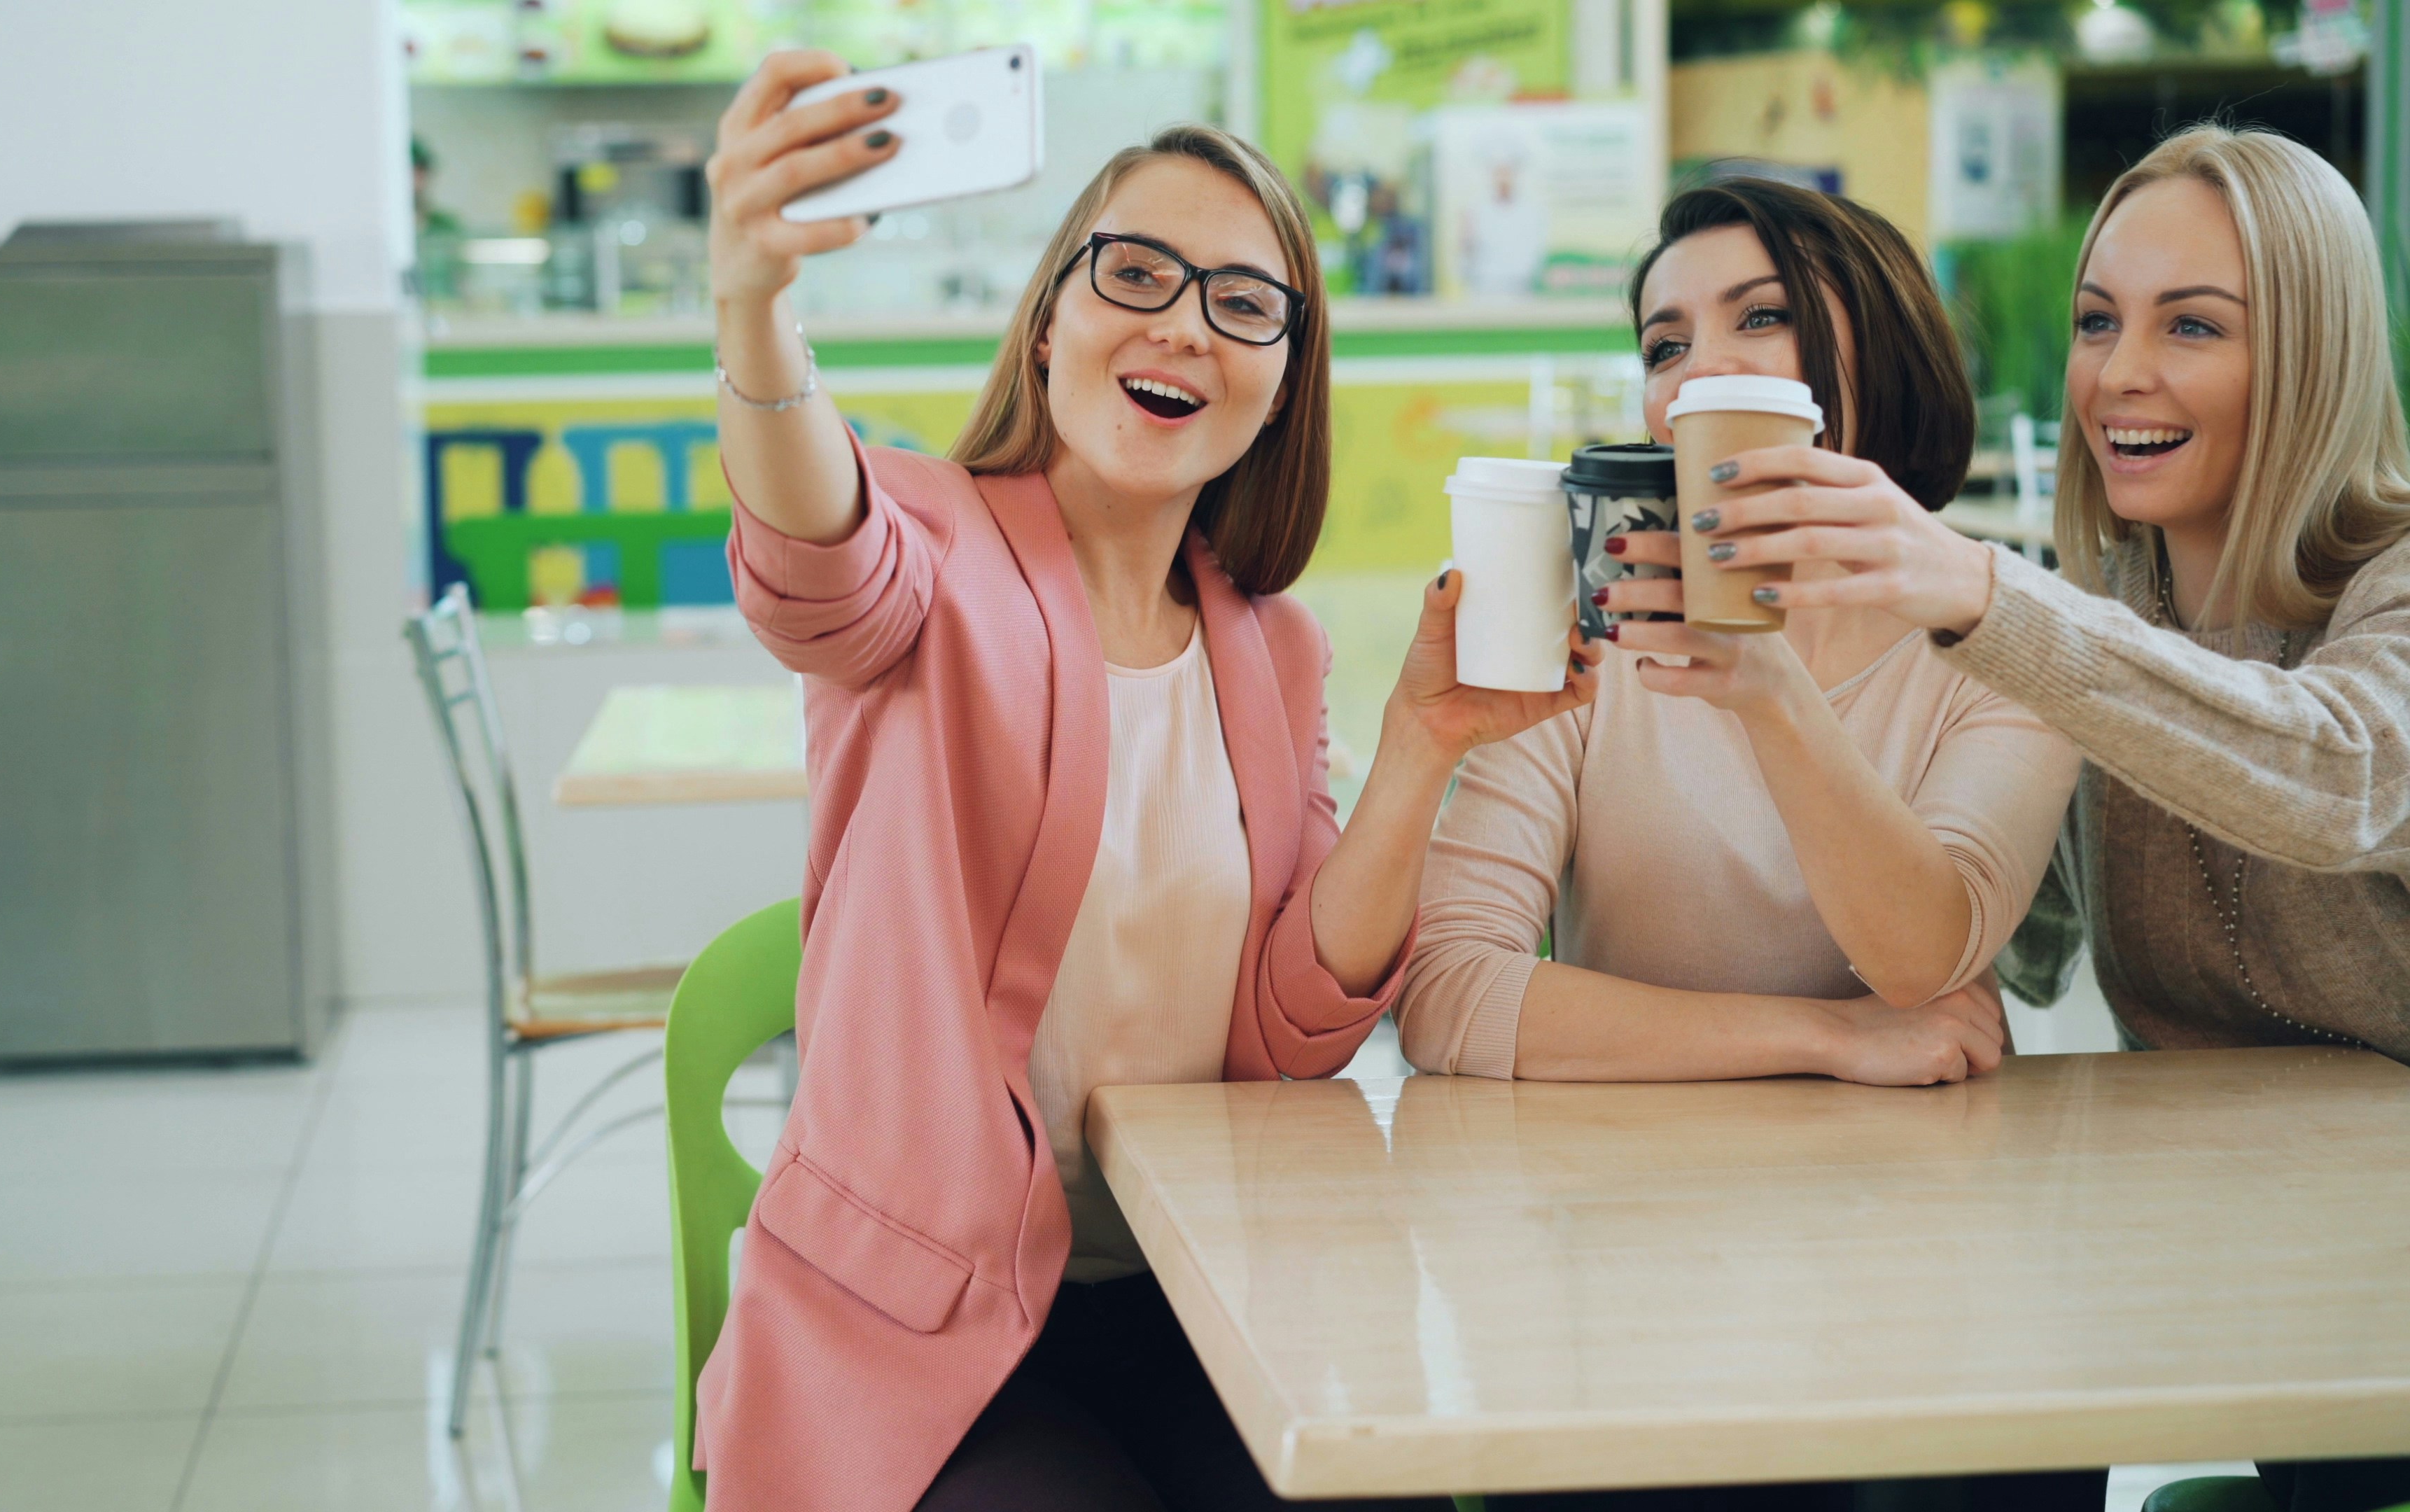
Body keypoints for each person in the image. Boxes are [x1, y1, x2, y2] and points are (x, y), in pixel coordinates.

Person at [691, 52, 1595, 1512]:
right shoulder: (927, 546)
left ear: (1283, 380)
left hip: (1208, 1295)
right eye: (1136, 273)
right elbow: (817, 564)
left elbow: (1293, 1023)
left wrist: (1421, 744)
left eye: (1244, 302)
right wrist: (752, 300)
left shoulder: (1269, 647)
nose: (1185, 324)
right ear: (1050, 319)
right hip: (932, 1334)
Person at [1678, 122, 2410, 1512]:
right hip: (2263, 1267)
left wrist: (1979, 601)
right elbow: (2008, 947)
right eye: (2097, 321)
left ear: (2309, 352)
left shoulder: (2381, 586)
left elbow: (2343, 780)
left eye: (2194, 325)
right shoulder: (2097, 614)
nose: (2119, 374)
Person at [1397, 177, 2082, 1093]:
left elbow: (1924, 958)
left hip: (1915, 1204)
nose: (1698, 372)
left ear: (1881, 348)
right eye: (1665, 346)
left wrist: (1768, 685)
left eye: (1762, 317)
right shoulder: (1591, 625)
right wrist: (1830, 1038)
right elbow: (1447, 992)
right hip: (1628, 1193)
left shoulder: (2007, 635)